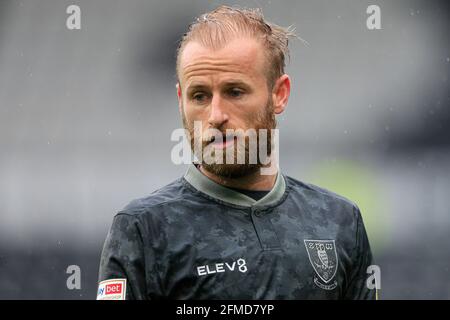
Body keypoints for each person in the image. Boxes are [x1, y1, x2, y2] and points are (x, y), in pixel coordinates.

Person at [97, 5, 376, 300]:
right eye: (200, 96)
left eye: (235, 92)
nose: (216, 115)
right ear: (181, 101)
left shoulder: (340, 222)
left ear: (278, 94)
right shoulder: (143, 229)